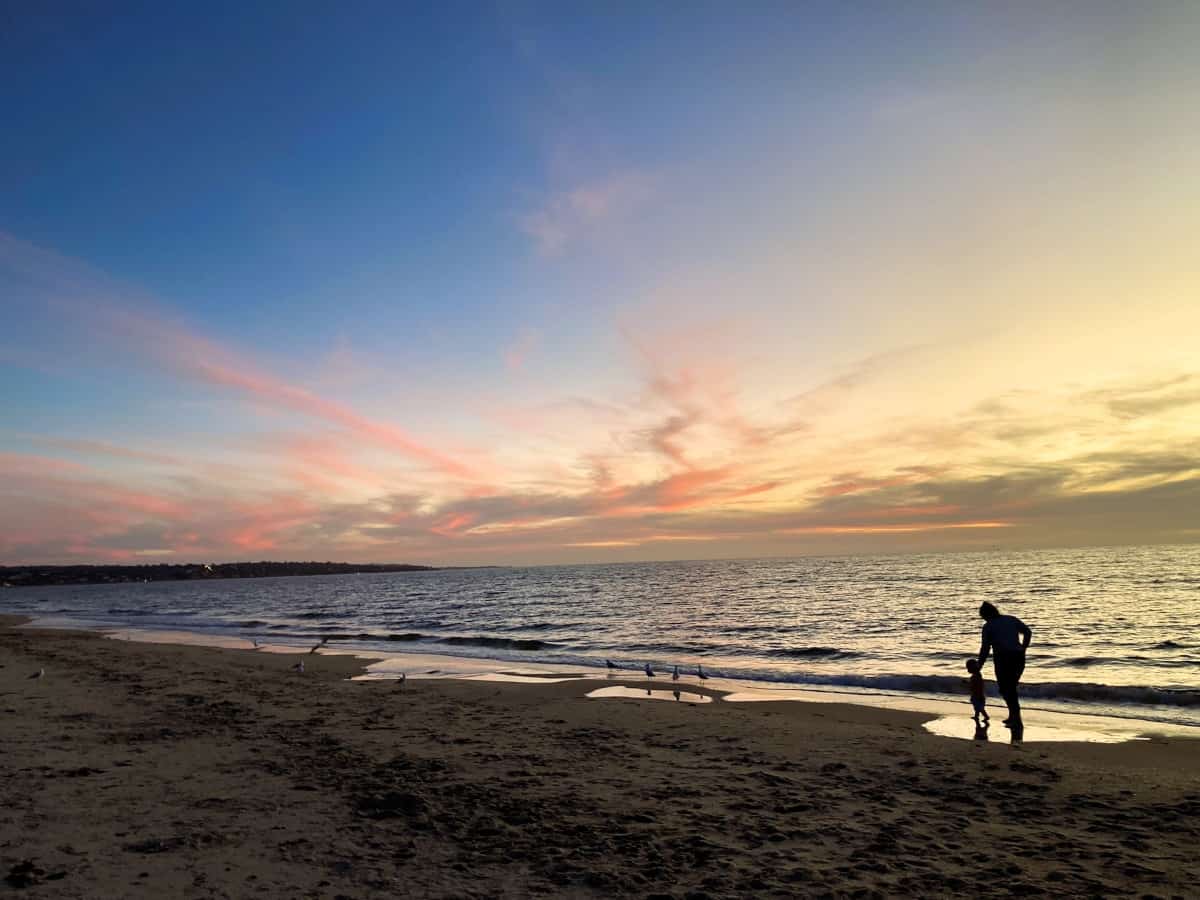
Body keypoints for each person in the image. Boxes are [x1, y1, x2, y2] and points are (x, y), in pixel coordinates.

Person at [977, 601, 1032, 726]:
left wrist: (979, 664)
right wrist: (1024, 647)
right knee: (1011, 687)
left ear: (986, 615)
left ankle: (1015, 717)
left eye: (982, 616)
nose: (983, 619)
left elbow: (985, 648)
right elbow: (1028, 632)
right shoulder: (1011, 619)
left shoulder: (988, 626)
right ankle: (1014, 715)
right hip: (1018, 657)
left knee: (1006, 688)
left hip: (1003, 658)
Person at [965, 658, 989, 726]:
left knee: (979, 707)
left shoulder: (976, 676)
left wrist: (980, 695)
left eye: (968, 668)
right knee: (977, 707)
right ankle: (976, 716)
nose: (968, 670)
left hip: (978, 695)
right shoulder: (976, 675)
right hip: (976, 694)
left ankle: (986, 716)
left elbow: (978, 686)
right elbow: (973, 684)